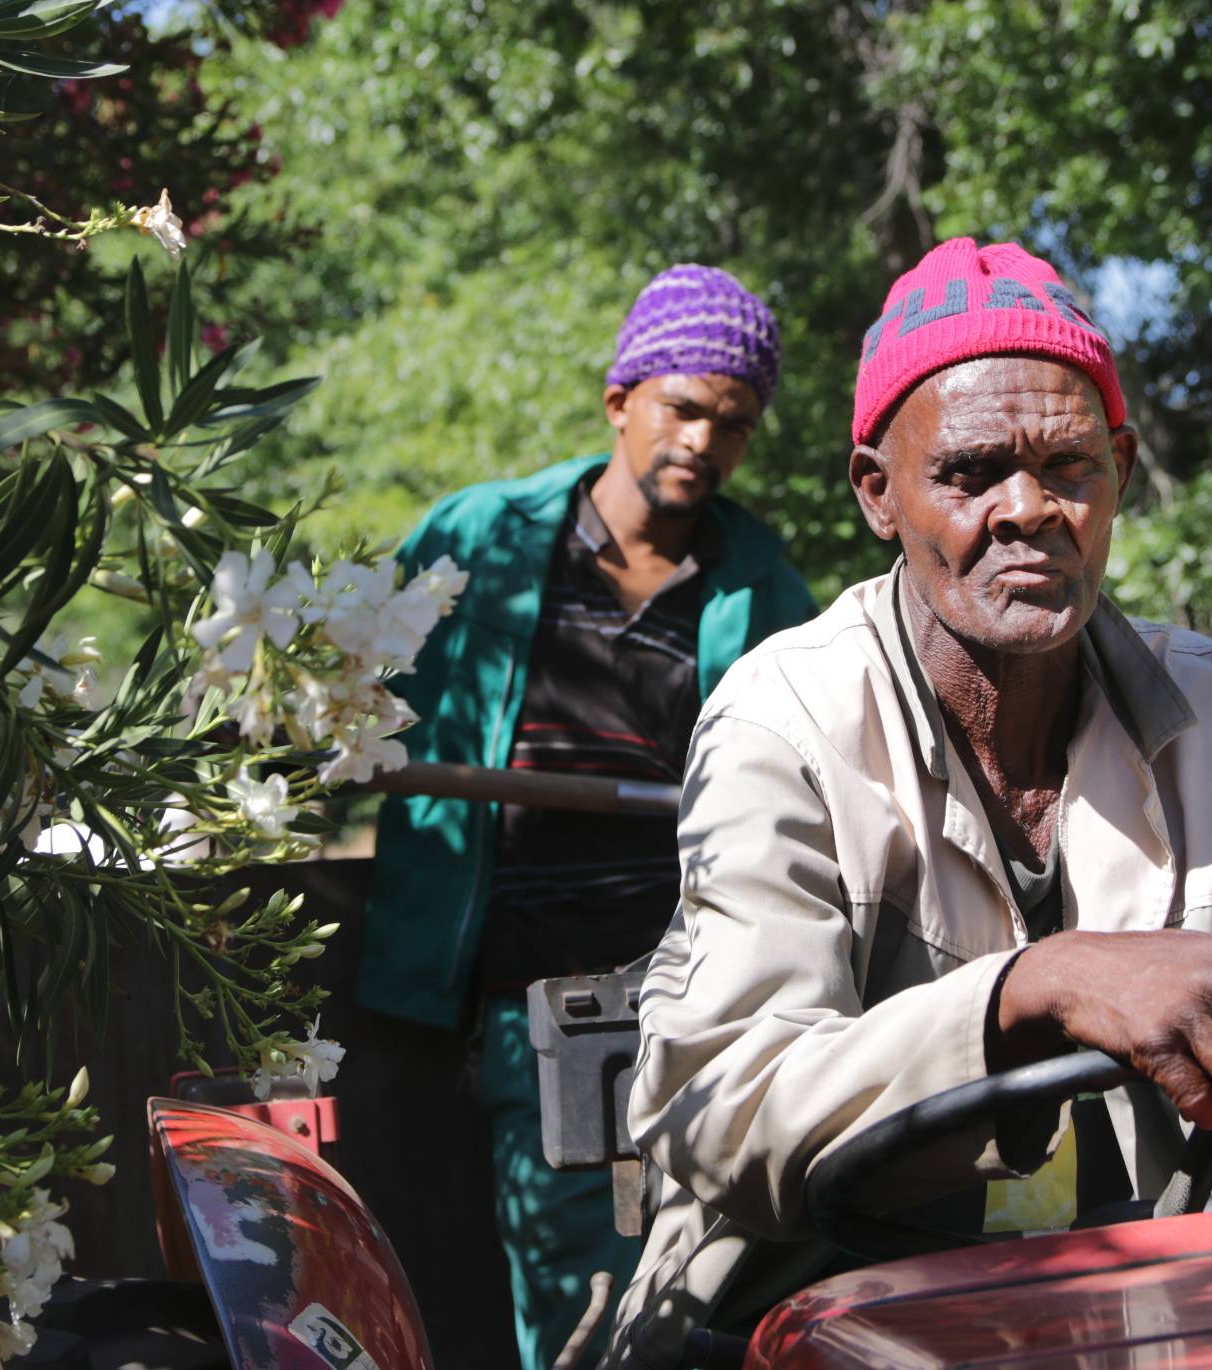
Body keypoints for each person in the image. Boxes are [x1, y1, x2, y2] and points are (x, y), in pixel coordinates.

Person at [606, 239, 1212, 1367]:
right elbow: (726, 1110)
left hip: (1149, 1308)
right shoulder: (784, 717)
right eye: (967, 473)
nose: (1028, 510)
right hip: (802, 1305)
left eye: (1068, 466)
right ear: (878, 492)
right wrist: (1040, 986)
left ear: (1119, 466)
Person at [358, 264, 816, 1370]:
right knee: (579, 1318)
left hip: (706, 1002)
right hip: (545, 1009)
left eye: (734, 422)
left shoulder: (753, 580)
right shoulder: (480, 537)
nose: (705, 440)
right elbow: (357, 703)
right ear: (620, 401)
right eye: (684, 406)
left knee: (724, 1302)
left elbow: (808, 773)